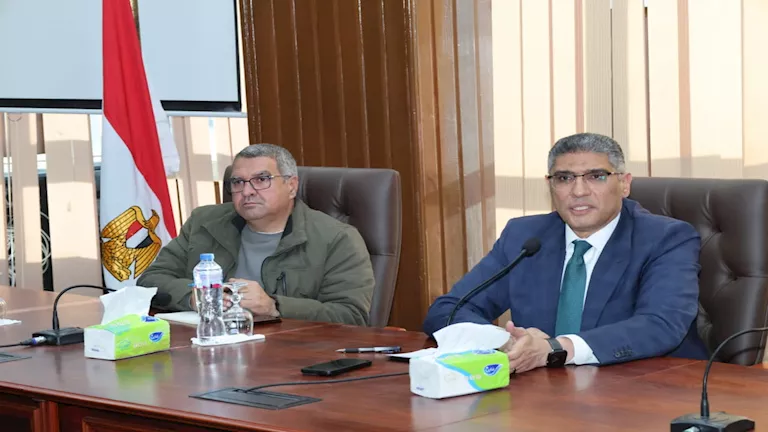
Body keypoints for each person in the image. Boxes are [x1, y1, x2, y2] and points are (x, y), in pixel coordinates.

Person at [423, 132, 709, 373]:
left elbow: (660, 325)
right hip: (542, 393)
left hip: (645, 391)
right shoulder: (524, 237)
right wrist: (504, 342)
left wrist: (555, 348)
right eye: (564, 178)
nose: (579, 191)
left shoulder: (665, 238)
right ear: (551, 186)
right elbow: (448, 309)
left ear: (624, 183)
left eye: (596, 176)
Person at [138, 144, 375, 326]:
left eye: (261, 180)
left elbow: (351, 316)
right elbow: (151, 281)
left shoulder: (337, 239)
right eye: (238, 182)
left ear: (291, 186)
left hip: (291, 357)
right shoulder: (204, 223)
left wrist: (274, 306)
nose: (247, 191)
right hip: (210, 348)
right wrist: (196, 297)